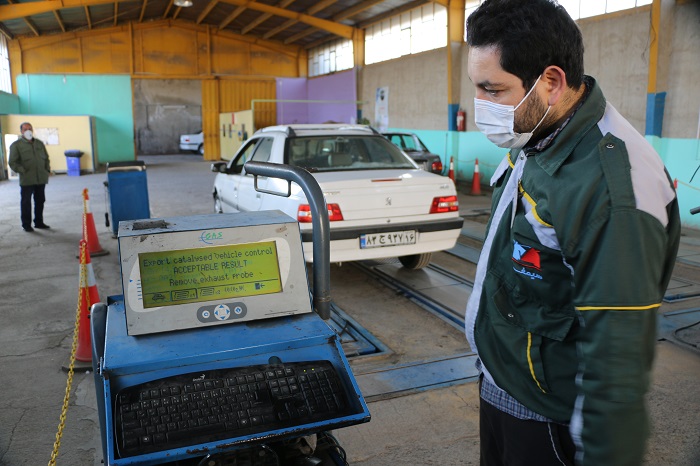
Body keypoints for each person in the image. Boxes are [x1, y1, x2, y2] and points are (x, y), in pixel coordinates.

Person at [463, 1, 680, 465]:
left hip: (547, 421)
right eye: (476, 88)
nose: (481, 107)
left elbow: (616, 369)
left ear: (552, 82)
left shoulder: (611, 192)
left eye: (492, 90)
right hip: (503, 385)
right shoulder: (539, 133)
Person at [9, 122, 52, 232]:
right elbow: (13, 162)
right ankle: (26, 224)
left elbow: (46, 158)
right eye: (25, 129)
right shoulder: (16, 145)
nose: (28, 131)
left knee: (40, 200)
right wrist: (22, 170)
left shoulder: (39, 143)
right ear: (21, 132)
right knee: (26, 202)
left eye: (30, 128)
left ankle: (39, 222)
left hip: (40, 178)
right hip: (27, 179)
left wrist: (47, 170)